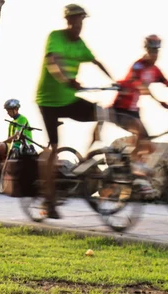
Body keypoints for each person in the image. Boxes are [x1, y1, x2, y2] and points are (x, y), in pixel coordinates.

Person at [36, 4, 115, 218]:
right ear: (68, 21)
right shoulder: (56, 37)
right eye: (74, 21)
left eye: (80, 21)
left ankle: (87, 158)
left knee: (102, 113)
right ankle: (48, 200)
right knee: (54, 147)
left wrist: (114, 82)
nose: (78, 25)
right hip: (48, 101)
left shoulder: (80, 44)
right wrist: (66, 80)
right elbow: (54, 62)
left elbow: (96, 61)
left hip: (69, 100)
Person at [110, 34, 168, 189]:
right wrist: (159, 102)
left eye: (156, 51)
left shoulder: (155, 71)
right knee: (142, 135)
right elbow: (141, 87)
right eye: (151, 51)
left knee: (149, 146)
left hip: (133, 111)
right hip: (120, 108)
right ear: (147, 50)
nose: (154, 55)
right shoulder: (138, 66)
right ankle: (135, 173)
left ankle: (132, 169)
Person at [0, 99, 33, 193]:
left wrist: (1, 144)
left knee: (1, 146)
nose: (7, 113)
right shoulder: (11, 123)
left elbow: (16, 136)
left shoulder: (22, 119)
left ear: (15, 109)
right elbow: (9, 139)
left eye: (9, 110)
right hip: (11, 147)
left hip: (21, 147)